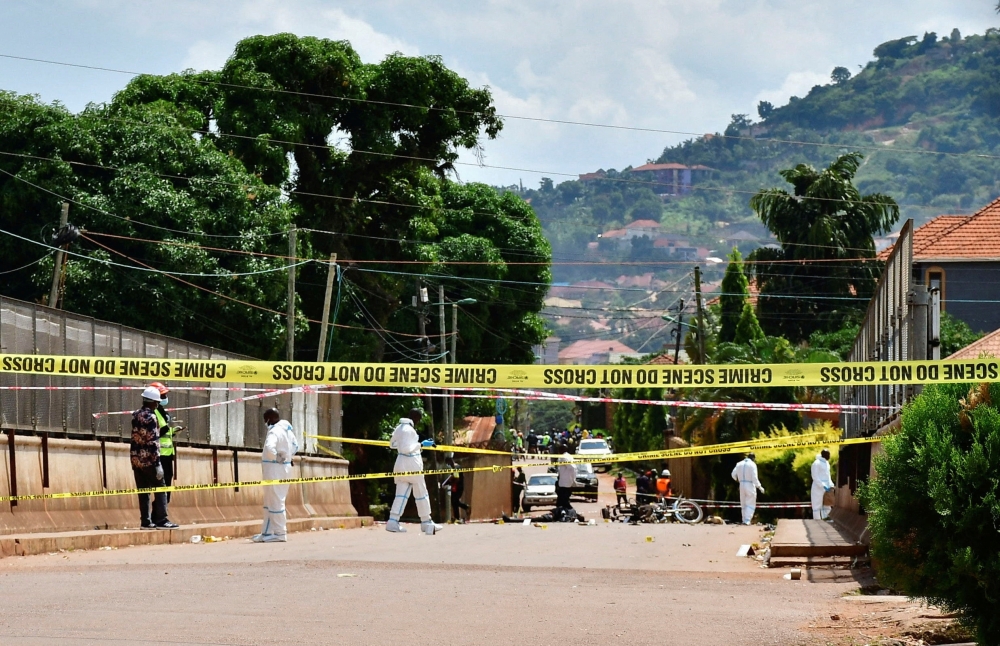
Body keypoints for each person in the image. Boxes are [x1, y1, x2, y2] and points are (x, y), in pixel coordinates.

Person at [386, 408, 442, 535]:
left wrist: (414, 446)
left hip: (400, 464)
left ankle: (393, 521)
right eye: (419, 418)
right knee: (421, 493)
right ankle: (426, 522)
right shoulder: (409, 430)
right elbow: (406, 449)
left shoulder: (399, 428)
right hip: (412, 465)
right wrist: (421, 445)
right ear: (416, 417)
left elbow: (392, 444)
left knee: (401, 495)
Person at [131, 386, 177, 530]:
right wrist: (157, 463)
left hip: (136, 459)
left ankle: (145, 521)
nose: (157, 404)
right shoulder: (152, 417)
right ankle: (161, 520)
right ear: (152, 402)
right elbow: (152, 441)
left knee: (143, 491)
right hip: (150, 460)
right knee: (161, 488)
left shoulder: (136, 414)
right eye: (156, 402)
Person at [254, 407, 299, 543]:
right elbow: (295, 446)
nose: (265, 422)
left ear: (270, 418)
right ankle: (267, 533)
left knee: (276, 501)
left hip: (274, 470)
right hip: (285, 469)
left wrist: (278, 458)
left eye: (265, 419)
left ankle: (280, 533)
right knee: (270, 501)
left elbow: (269, 448)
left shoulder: (274, 432)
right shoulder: (287, 430)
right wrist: (287, 457)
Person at [148, 382, 182, 506]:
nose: (165, 398)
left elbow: (164, 432)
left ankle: (161, 513)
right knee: (160, 483)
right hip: (159, 454)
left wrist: (173, 431)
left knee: (166, 482)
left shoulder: (161, 411)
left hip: (166, 454)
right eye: (162, 396)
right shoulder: (154, 412)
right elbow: (157, 432)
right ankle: (159, 514)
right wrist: (168, 429)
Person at [731, 453, 765, 525]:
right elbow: (754, 478)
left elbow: (733, 474)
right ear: (753, 458)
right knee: (750, 503)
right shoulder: (752, 465)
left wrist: (738, 480)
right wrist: (759, 487)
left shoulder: (739, 464)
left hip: (741, 485)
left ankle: (744, 519)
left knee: (743, 503)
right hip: (750, 484)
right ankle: (747, 520)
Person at [811, 449, 835, 520]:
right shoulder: (816, 463)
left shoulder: (827, 463)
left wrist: (831, 485)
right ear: (823, 454)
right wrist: (822, 485)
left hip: (827, 487)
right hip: (818, 488)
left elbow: (828, 475)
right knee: (817, 505)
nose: (829, 456)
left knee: (827, 505)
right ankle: (817, 521)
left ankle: (826, 520)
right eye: (828, 454)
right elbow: (815, 476)